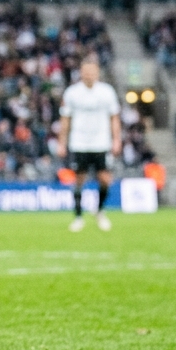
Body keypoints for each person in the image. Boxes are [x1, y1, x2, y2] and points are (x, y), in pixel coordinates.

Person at [57, 55, 121, 232]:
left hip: (101, 142)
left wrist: (117, 139)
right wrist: (61, 142)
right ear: (81, 73)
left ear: (97, 73)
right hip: (80, 142)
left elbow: (114, 118)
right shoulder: (72, 93)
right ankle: (78, 216)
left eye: (92, 72)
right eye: (85, 72)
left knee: (105, 180)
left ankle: (99, 211)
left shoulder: (107, 92)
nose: (89, 75)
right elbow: (65, 120)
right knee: (79, 180)